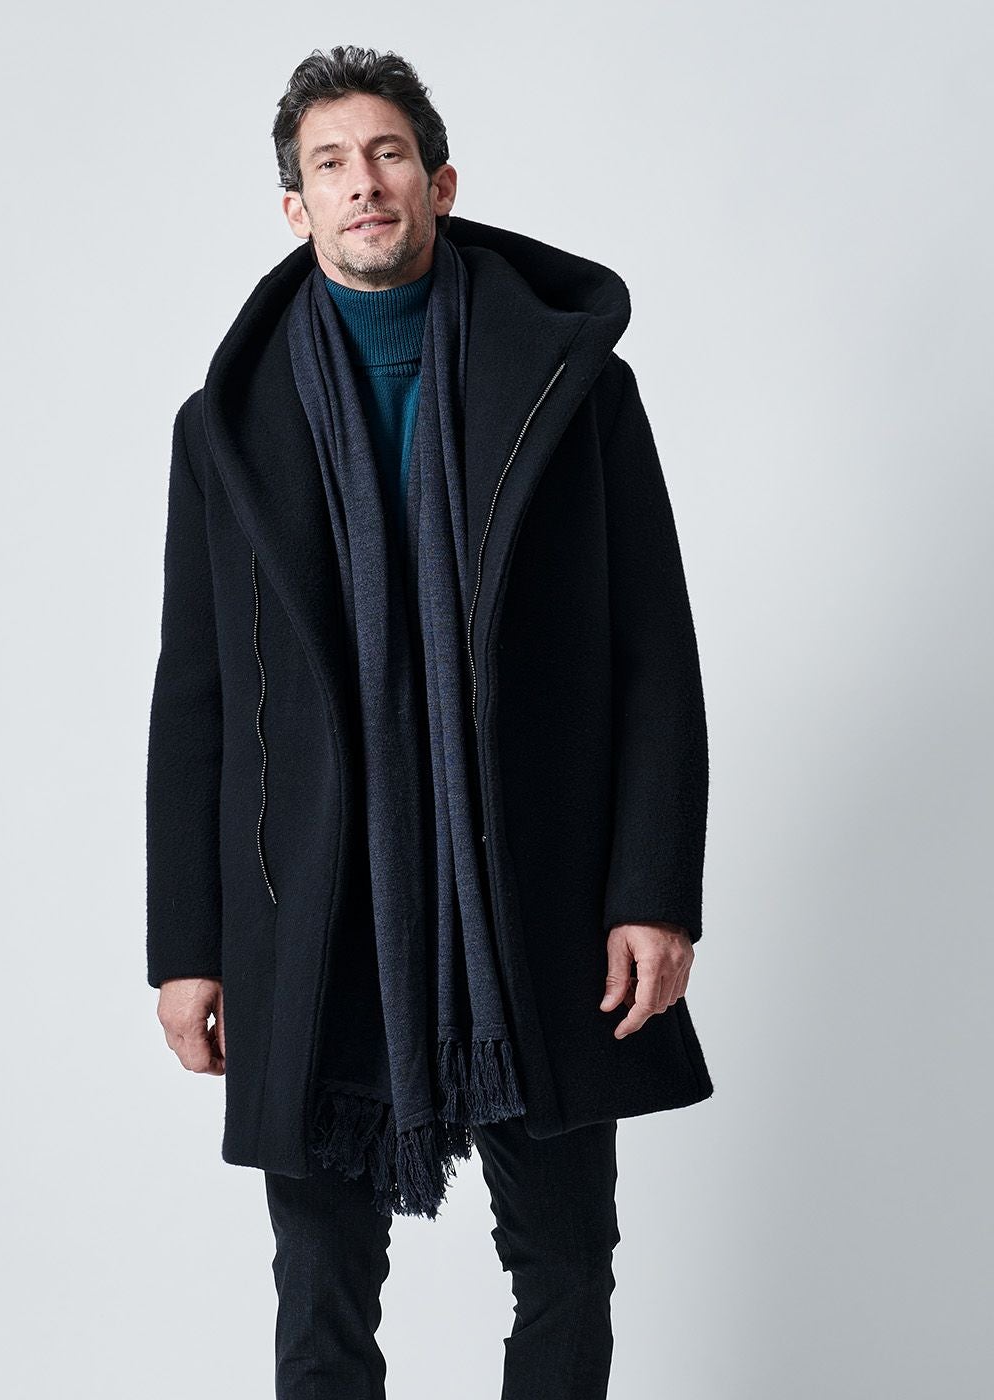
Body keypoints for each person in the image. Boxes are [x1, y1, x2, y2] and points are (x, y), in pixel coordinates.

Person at [147, 43, 714, 1400]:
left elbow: (653, 655)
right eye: (331, 164)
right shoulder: (224, 428)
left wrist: (652, 891)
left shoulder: (574, 389)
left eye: (388, 153)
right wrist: (187, 946)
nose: (364, 182)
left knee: (567, 1260)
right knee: (321, 1284)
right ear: (297, 207)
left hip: (537, 894)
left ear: (440, 182)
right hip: (312, 909)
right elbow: (197, 694)